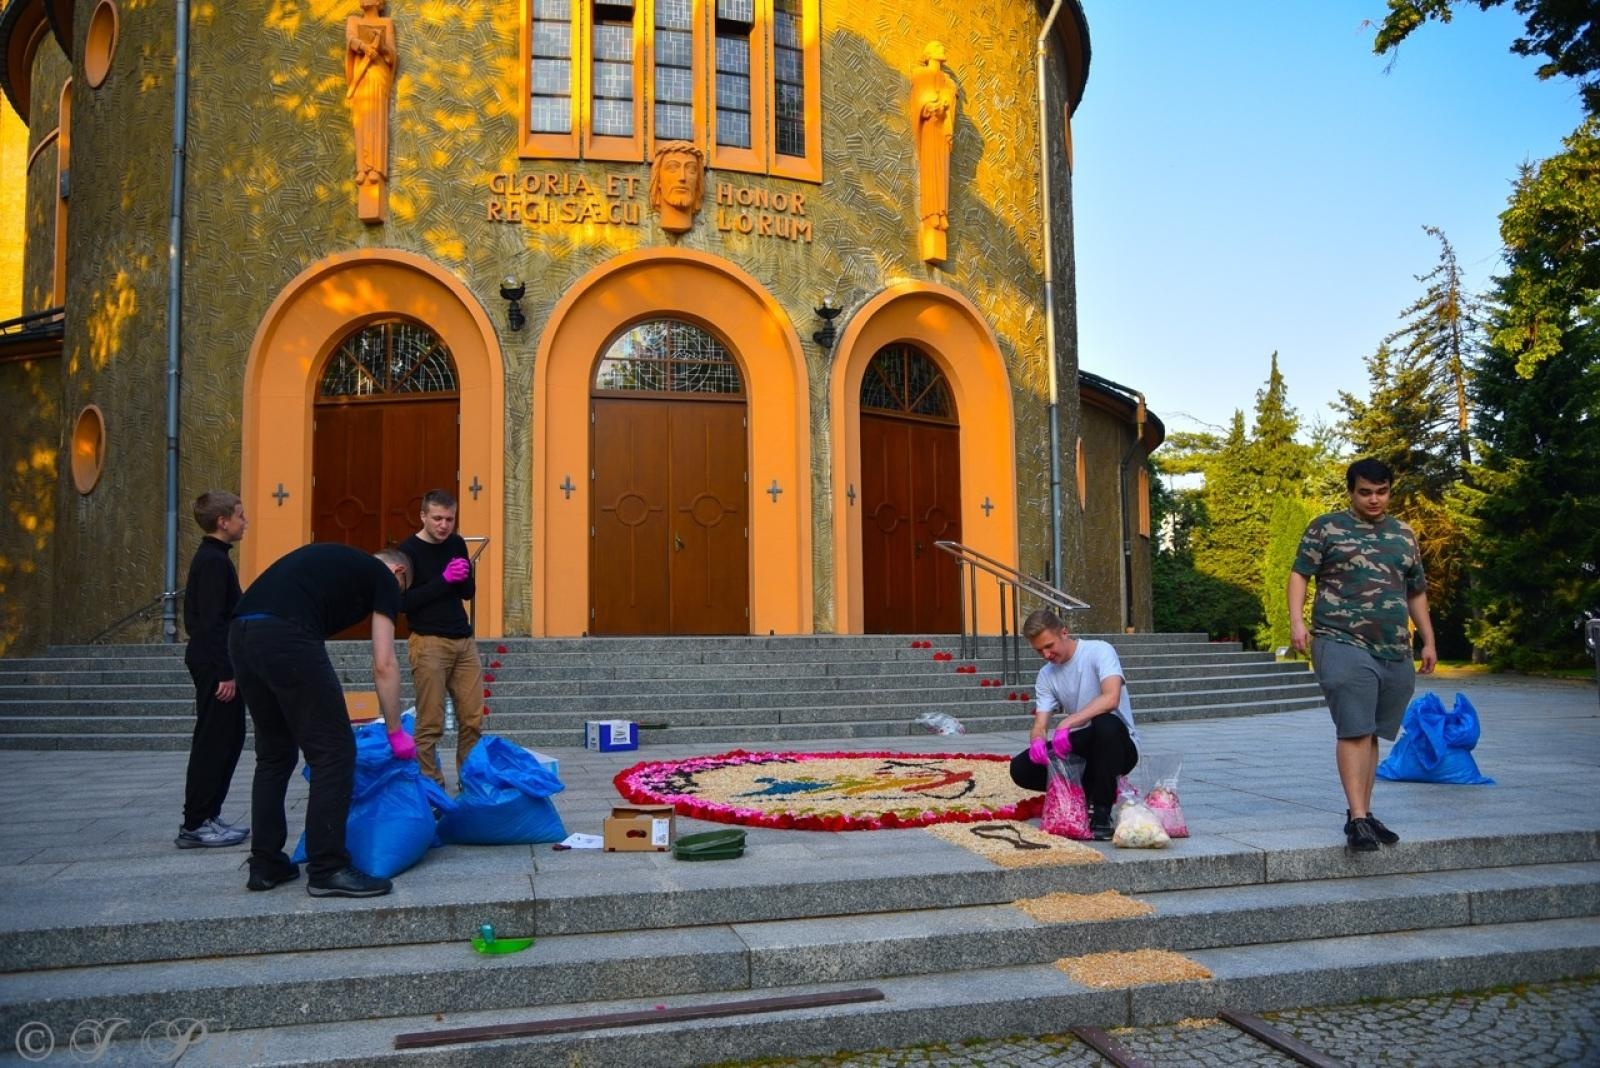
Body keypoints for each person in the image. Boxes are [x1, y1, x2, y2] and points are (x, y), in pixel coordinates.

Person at [228, 543, 417, 897]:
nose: (396, 599)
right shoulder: (385, 578)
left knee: (274, 755)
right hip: (286, 635)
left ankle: (265, 864)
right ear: (399, 573)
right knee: (334, 753)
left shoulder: (340, 565)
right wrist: (395, 731)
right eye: (401, 592)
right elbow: (384, 663)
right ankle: (328, 868)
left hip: (241, 634)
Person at [1288, 457, 1436, 854]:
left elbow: (1416, 591)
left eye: (1381, 492)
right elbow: (1300, 573)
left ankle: (1365, 815)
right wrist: (1297, 622)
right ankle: (1356, 819)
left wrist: (1428, 640)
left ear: (1390, 491)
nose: (1374, 499)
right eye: (1365, 492)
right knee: (1354, 728)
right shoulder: (1326, 527)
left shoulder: (1404, 534)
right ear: (1351, 492)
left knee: (1371, 732)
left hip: (1394, 648)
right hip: (1340, 640)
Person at [1008, 609, 1140, 840]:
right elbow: (1040, 724)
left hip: (1119, 745)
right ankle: (1085, 791)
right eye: (1039, 650)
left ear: (1064, 633)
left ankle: (1101, 812)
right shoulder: (1046, 675)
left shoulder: (1099, 651)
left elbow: (1111, 698)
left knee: (1105, 723)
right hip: (1082, 749)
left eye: (1049, 646)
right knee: (1020, 768)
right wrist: (1037, 741)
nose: (1046, 654)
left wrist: (1068, 723)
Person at [176, 491, 250, 849]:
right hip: (214, 663)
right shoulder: (212, 562)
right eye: (240, 515)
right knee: (214, 741)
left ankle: (209, 814)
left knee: (229, 738)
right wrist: (225, 672)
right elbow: (210, 623)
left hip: (218, 660)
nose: (245, 521)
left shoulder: (217, 558)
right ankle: (195, 822)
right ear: (223, 522)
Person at [399, 489, 484, 789]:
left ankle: (470, 782)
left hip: (463, 640)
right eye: (437, 518)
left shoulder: (456, 543)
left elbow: (467, 593)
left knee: (473, 718)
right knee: (430, 723)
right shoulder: (408, 551)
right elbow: (403, 603)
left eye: (449, 519)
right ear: (423, 516)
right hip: (428, 641)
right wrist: (443, 579)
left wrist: (464, 575)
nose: (444, 525)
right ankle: (431, 786)